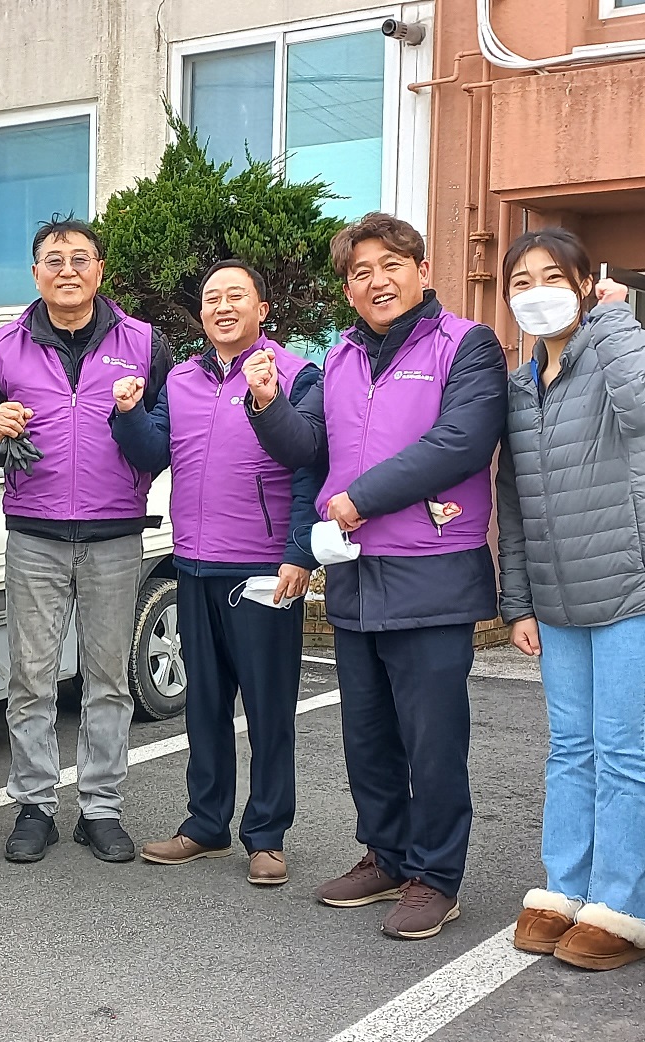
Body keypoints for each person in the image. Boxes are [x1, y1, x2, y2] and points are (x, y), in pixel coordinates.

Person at [247, 213, 507, 940]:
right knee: (367, 735)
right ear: (348, 291)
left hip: (431, 569)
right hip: (355, 574)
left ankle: (436, 876)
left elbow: (460, 442)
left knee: (433, 739)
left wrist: (362, 498)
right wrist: (266, 404)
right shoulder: (339, 357)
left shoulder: (467, 345)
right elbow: (309, 445)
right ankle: (386, 855)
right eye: (361, 272)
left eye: (391, 265)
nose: (377, 281)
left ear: (422, 271)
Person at [494, 228, 645, 971]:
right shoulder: (519, 389)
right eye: (521, 282)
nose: (536, 292)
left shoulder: (626, 347)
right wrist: (518, 601)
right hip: (557, 596)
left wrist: (613, 320)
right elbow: (513, 500)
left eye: (553, 277)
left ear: (585, 285)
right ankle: (565, 889)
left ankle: (627, 906)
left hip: (636, 585)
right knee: (570, 748)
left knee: (618, 748)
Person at [0, 218, 172, 865]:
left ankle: (100, 808)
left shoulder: (144, 343)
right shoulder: (5, 346)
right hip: (34, 534)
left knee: (108, 679)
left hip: (114, 533)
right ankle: (35, 807)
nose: (68, 270)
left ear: (100, 270)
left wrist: (132, 417)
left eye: (81, 258)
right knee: (31, 677)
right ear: (35, 274)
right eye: (54, 260)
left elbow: (164, 440)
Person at [108, 260, 319, 886]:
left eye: (236, 296)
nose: (222, 307)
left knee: (269, 709)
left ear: (262, 309)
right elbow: (154, 452)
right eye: (211, 298)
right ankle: (205, 824)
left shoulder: (294, 374)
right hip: (194, 562)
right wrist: (129, 414)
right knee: (203, 705)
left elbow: (308, 463)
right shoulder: (181, 378)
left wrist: (299, 554)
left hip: (261, 569)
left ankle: (267, 835)